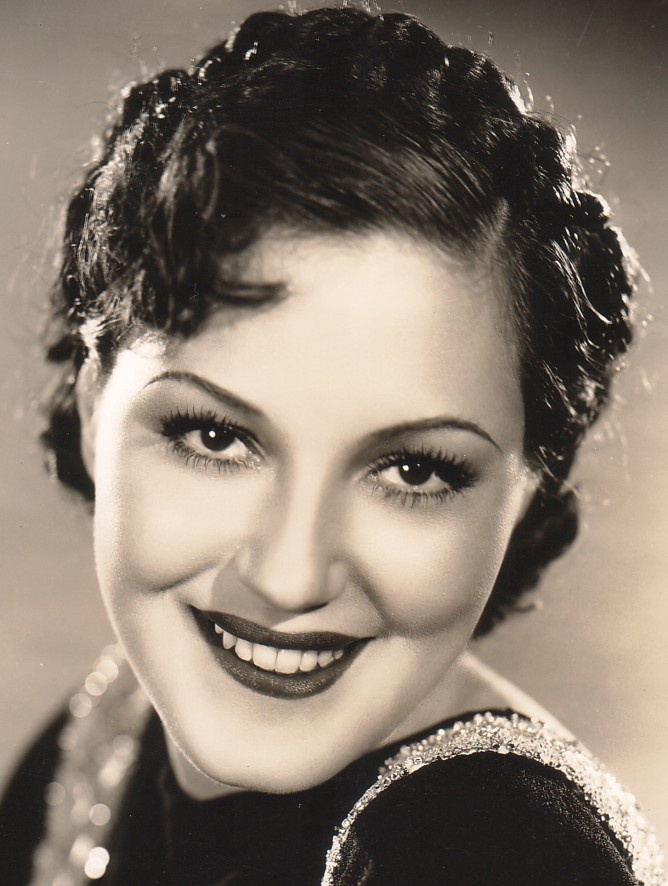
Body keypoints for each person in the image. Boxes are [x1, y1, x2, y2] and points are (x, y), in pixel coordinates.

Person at [0, 5, 663, 884]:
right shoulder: (101, 741)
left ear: (528, 489)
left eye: (413, 470)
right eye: (215, 436)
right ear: (94, 411)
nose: (290, 578)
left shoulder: (497, 855)